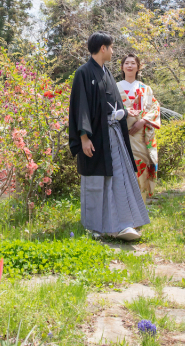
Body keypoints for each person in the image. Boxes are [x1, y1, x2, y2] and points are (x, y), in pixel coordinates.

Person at [68, 32, 150, 241]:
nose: (113, 51)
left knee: (119, 177)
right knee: (96, 180)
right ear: (103, 48)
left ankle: (122, 223)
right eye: (111, 47)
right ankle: (95, 226)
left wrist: (124, 113)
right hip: (96, 135)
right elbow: (81, 107)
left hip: (113, 135)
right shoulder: (83, 73)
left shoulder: (107, 73)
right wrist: (84, 137)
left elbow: (114, 103)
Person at [117, 54, 161, 202]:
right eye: (127, 63)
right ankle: (123, 209)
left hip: (140, 136)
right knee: (121, 171)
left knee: (140, 168)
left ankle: (140, 208)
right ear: (122, 67)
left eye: (133, 63)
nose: (130, 66)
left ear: (138, 67)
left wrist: (142, 121)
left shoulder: (145, 88)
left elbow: (155, 108)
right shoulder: (115, 87)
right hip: (119, 134)